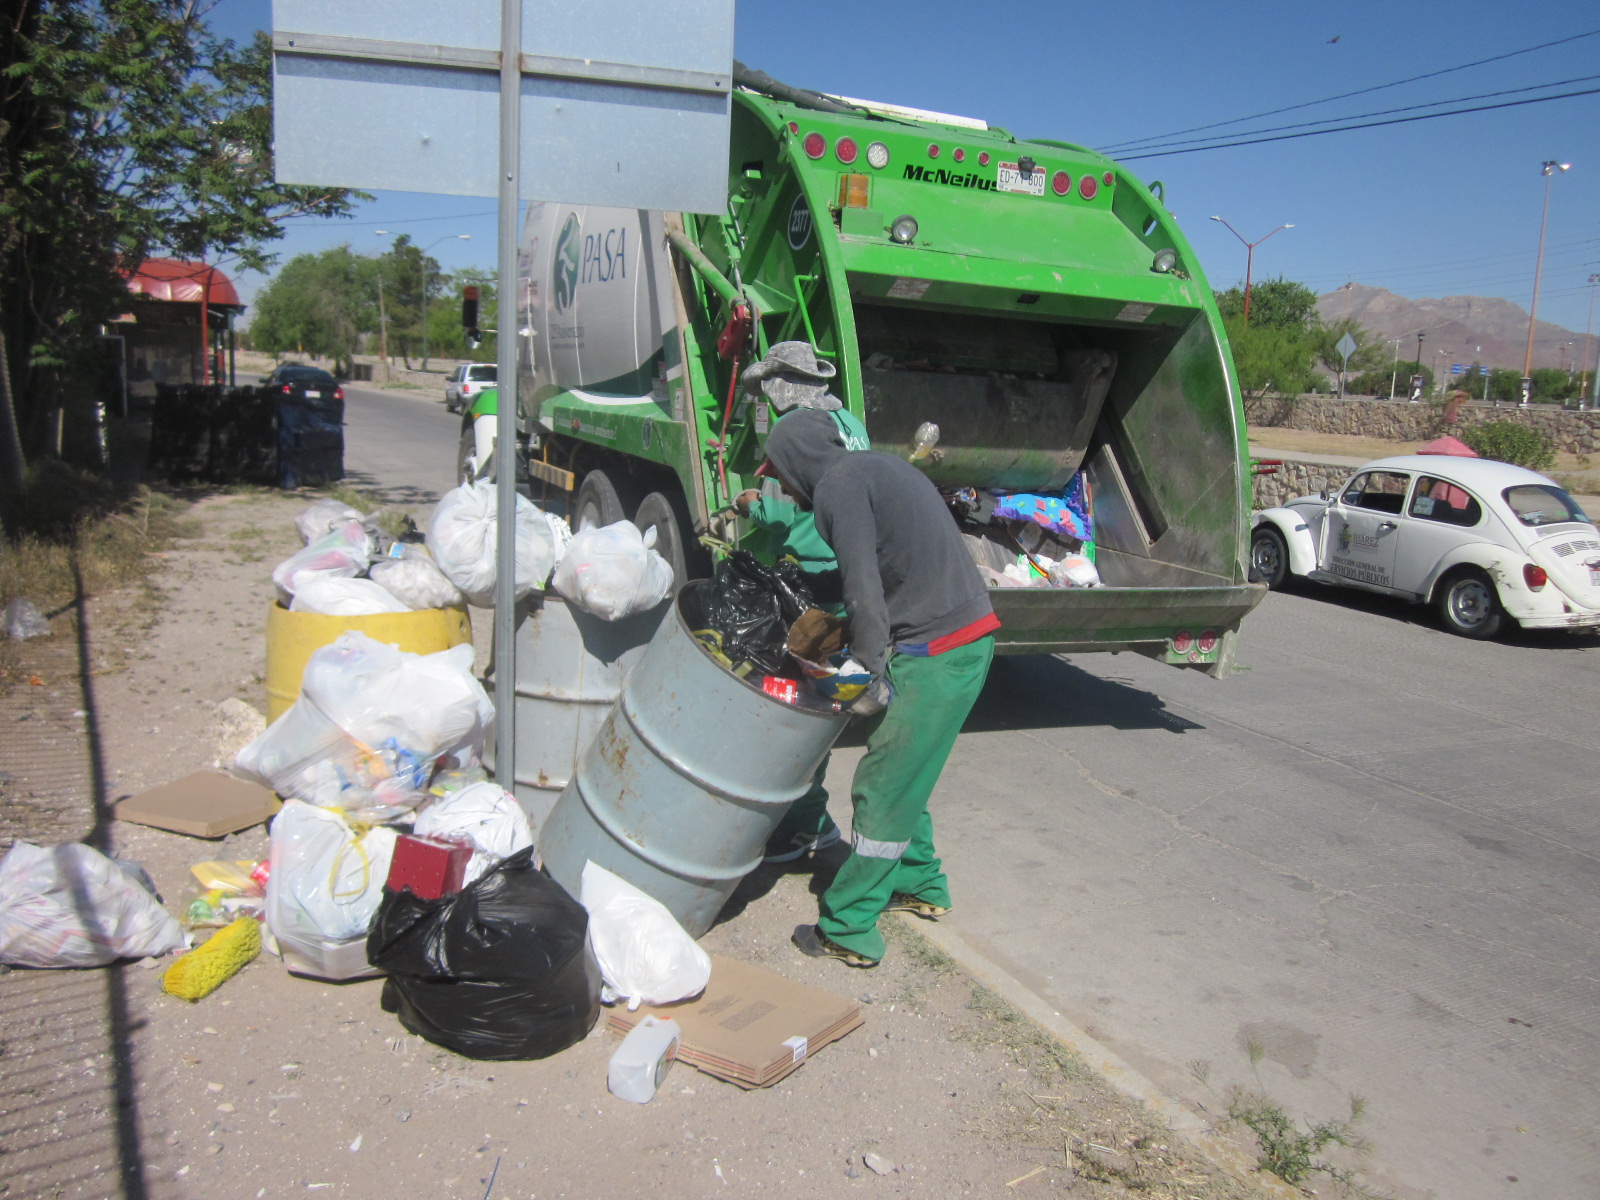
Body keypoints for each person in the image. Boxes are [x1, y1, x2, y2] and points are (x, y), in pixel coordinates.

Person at [758, 408, 998, 968]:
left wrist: (863, 670)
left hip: (939, 652)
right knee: (907, 770)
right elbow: (872, 567)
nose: (783, 488)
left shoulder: (837, 488)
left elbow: (864, 590)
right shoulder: (870, 469)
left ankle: (849, 928)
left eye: (780, 474)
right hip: (963, 640)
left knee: (883, 786)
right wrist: (800, 581)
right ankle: (920, 883)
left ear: (796, 461)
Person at [732, 343, 870, 865]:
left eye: (767, 387)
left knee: (795, 706)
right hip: (849, 577)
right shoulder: (848, 422)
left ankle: (808, 825)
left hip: (811, 586)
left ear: (780, 385)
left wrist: (749, 502)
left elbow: (783, 514)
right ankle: (806, 820)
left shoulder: (796, 431)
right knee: (821, 701)